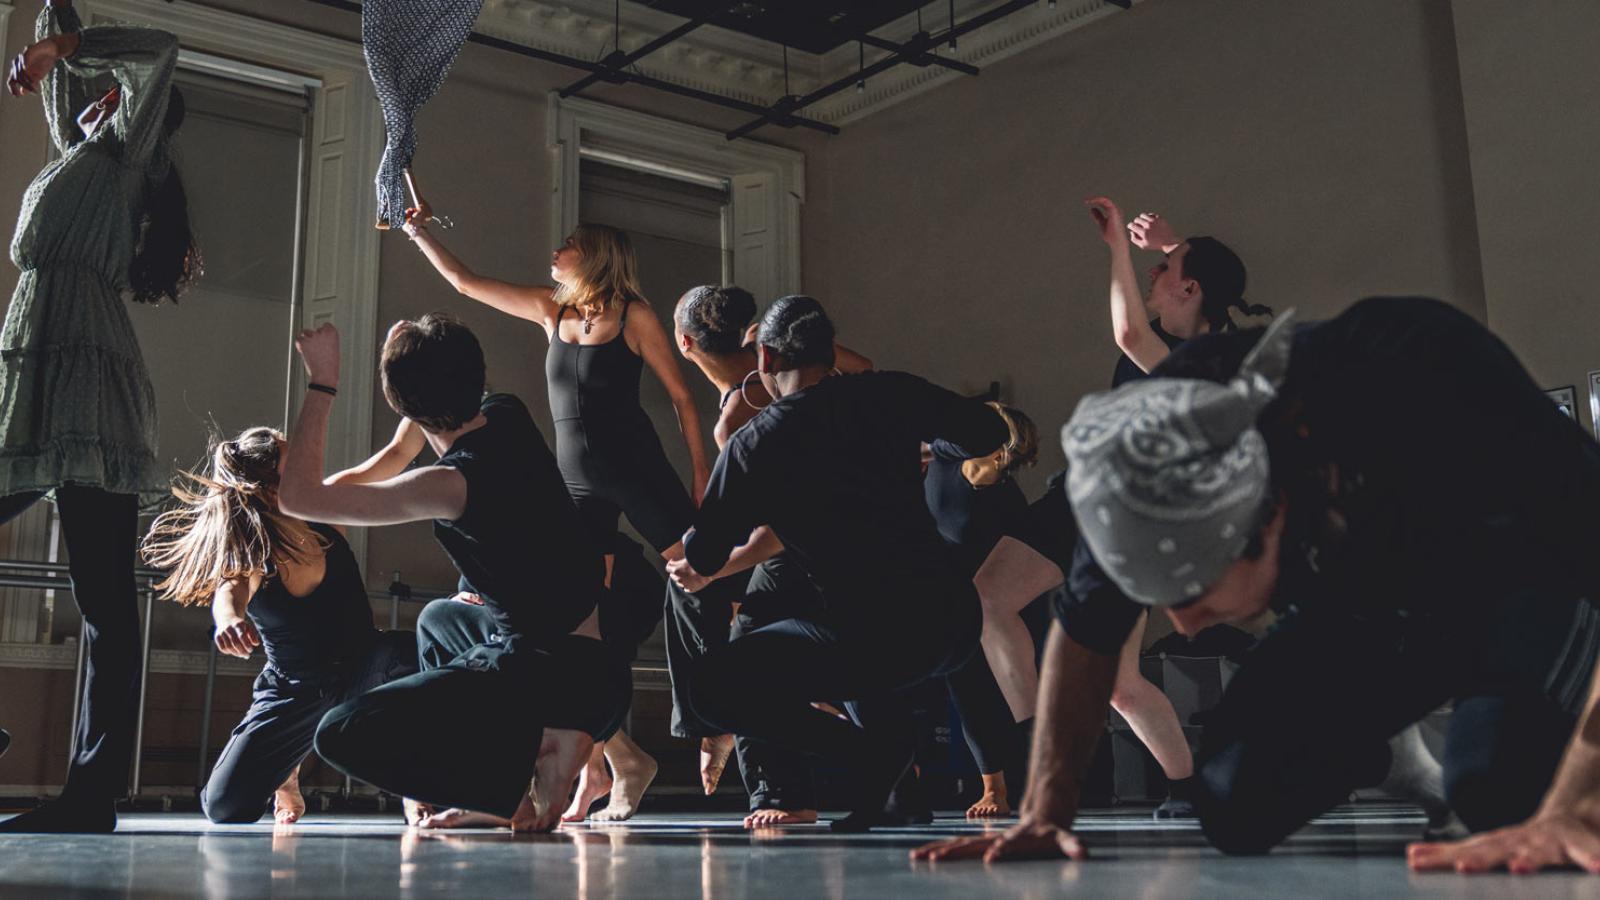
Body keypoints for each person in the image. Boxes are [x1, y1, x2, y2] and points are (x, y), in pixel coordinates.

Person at [913, 297, 1600, 865]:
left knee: (1502, 798)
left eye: (1193, 592)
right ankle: (1398, 752)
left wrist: (1579, 804)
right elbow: (1084, 630)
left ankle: (1486, 763)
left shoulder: (1429, 375)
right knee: (1231, 803)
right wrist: (1043, 813)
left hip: (1528, 583)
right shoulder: (1153, 457)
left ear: (1265, 518)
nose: (1182, 623)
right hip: (1361, 602)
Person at [276, 315, 625, 833]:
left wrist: (323, 380)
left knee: (340, 733)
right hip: (602, 671)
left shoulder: (447, 485)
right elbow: (445, 390)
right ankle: (536, 750)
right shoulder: (508, 413)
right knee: (441, 620)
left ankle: (505, 790)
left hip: (549, 676)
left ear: (404, 407)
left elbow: (298, 498)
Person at [677, 295, 1009, 832]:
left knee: (712, 686)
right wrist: (921, 446)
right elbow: (989, 432)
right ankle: (888, 786)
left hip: (874, 639)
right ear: (831, 352)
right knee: (842, 631)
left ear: (764, 359)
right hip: (953, 617)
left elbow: (706, 554)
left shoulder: (756, 443)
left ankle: (871, 753)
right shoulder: (890, 393)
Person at [402, 217, 718, 782]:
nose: (555, 250)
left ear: (595, 256)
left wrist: (700, 473)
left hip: (635, 470)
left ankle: (711, 717)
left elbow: (682, 399)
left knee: (699, 576)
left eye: (568, 245)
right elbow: (465, 283)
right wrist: (420, 234)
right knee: (583, 613)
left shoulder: (633, 316)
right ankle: (598, 758)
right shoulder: (553, 311)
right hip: (577, 484)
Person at [0, 1, 197, 833]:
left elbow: (160, 49)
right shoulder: (78, 153)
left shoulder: (126, 156)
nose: (77, 94)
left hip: (90, 383)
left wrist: (65, 44)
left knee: (106, 600)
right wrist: (55, 33)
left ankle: (91, 793)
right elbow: (60, 70)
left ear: (120, 99)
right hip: (35, 369)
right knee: (107, 598)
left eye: (97, 85)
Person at [141, 428, 418, 825]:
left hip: (365, 664)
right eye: (296, 466)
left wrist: (428, 398)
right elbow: (230, 591)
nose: (310, 469)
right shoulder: (252, 551)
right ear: (269, 489)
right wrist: (230, 621)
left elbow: (397, 452)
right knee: (224, 806)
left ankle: (428, 783)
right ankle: (285, 773)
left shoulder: (327, 505)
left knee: (426, 653)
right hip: (295, 691)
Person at [923, 402, 1049, 818]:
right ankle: (990, 786)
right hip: (946, 599)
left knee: (995, 696)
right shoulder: (945, 455)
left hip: (996, 610)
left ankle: (1012, 786)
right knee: (961, 690)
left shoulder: (1008, 506)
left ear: (999, 454)